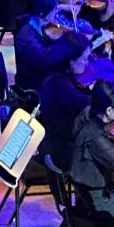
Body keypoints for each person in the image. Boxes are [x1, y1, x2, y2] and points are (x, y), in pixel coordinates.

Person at [68, 80, 114, 227]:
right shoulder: (94, 136)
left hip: (85, 199)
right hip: (98, 206)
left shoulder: (87, 114)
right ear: (109, 111)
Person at [39, 32, 96, 171]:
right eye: (84, 59)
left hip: (62, 136)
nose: (87, 63)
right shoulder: (58, 83)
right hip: (59, 146)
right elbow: (87, 102)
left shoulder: (59, 75)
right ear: (71, 61)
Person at [13, 0, 62, 92]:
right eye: (54, 9)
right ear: (41, 12)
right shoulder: (27, 37)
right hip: (35, 87)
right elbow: (47, 62)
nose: (57, 12)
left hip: (41, 77)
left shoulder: (37, 25)